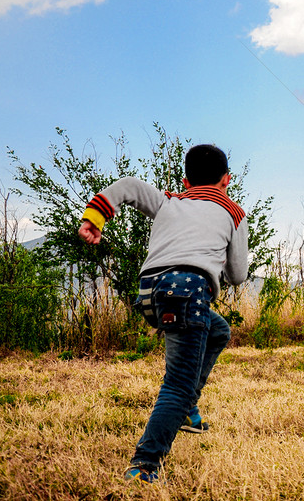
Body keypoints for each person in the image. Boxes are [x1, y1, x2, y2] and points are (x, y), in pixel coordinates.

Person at [78, 144, 248, 485]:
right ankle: (145, 464)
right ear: (226, 180)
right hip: (187, 291)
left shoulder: (169, 201)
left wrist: (94, 219)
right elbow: (238, 274)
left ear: (185, 182)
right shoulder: (233, 213)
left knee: (217, 330)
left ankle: (187, 411)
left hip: (149, 293)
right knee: (178, 385)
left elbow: (126, 185)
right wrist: (220, 268)